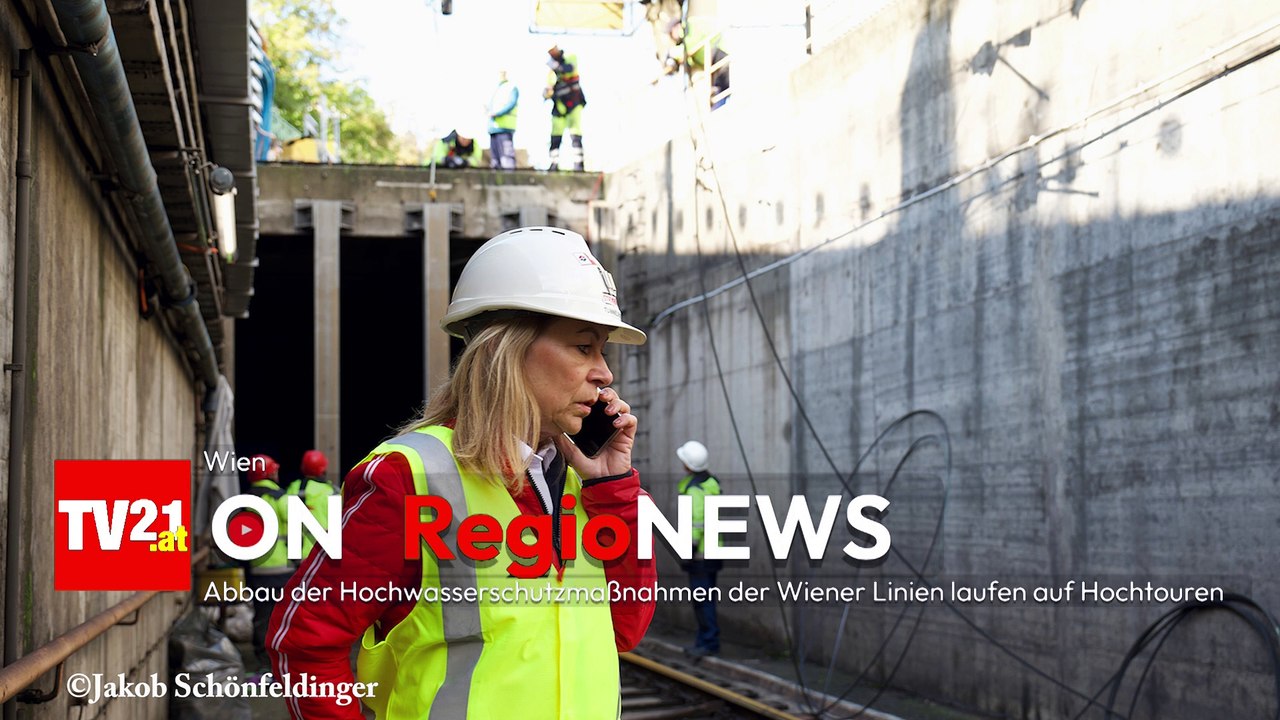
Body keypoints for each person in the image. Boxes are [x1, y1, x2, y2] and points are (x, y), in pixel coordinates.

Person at [268, 226, 656, 718]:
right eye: (584, 347)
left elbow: (625, 629)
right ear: (505, 351)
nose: (605, 373)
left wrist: (613, 489)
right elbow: (304, 641)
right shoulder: (409, 478)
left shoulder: (591, 485)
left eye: (603, 351)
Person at [244, 454, 293, 677]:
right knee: (284, 618)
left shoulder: (245, 501)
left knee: (262, 617)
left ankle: (265, 666)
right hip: (282, 569)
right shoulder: (280, 498)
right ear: (270, 473)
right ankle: (282, 664)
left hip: (258, 569)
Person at [676, 440, 721, 658]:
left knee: (702, 600)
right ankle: (706, 640)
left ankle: (708, 642)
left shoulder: (694, 489)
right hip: (714, 550)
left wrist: (689, 550)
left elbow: (696, 522)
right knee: (707, 597)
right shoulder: (711, 483)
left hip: (701, 554)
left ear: (688, 465)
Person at [665, 17, 730, 110]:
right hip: (715, 60)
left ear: (677, 27)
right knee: (720, 90)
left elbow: (688, 47)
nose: (673, 37)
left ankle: (719, 107)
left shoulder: (689, 29)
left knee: (721, 87)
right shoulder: (689, 34)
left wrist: (671, 56)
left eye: (672, 34)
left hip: (720, 52)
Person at [285, 449, 336, 560]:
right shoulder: (330, 491)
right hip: (322, 556)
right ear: (323, 469)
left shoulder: (293, 488)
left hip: (297, 557)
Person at [544, 45, 585, 171]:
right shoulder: (551, 73)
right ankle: (554, 164)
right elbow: (548, 88)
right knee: (555, 136)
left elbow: (569, 69)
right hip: (559, 107)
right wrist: (546, 93)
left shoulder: (570, 57)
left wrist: (557, 67)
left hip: (574, 102)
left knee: (575, 134)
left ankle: (578, 165)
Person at [487, 70, 519, 170]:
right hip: (493, 128)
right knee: (495, 161)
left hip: (505, 128)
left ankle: (508, 183)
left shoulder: (511, 87)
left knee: (507, 160)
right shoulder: (496, 88)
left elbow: (511, 103)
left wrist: (497, 113)